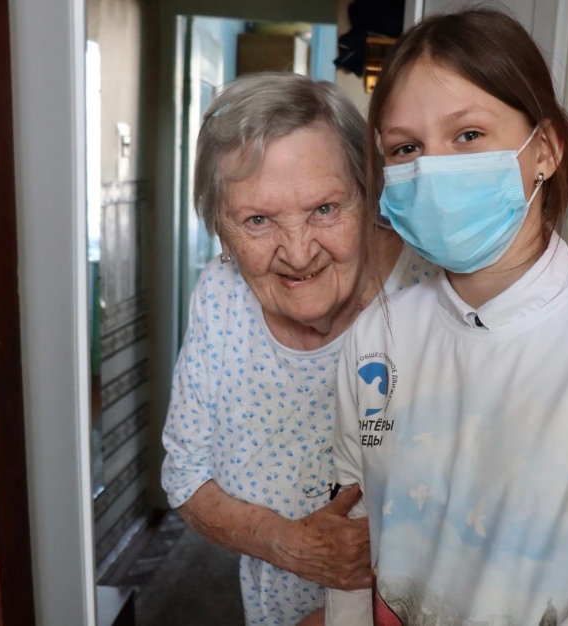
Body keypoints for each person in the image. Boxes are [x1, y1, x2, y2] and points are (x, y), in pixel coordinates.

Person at [327, 9, 568, 625]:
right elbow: (351, 529)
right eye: (406, 148)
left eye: (468, 135)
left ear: (546, 150)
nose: (433, 167)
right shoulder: (378, 334)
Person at [160, 72, 438, 625]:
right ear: (220, 230)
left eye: (324, 209)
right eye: (258, 220)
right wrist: (289, 545)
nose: (298, 251)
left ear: (368, 194)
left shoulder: (432, 294)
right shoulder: (221, 295)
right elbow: (185, 476)